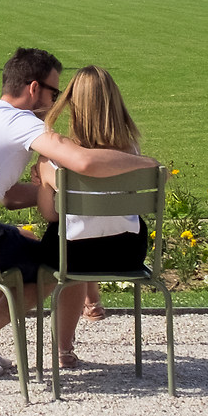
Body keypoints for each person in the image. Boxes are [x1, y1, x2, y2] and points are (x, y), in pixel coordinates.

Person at [0, 48, 156, 379]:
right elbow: (82, 162)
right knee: (46, 268)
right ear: (34, 89)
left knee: (20, 240)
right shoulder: (22, 123)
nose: (57, 103)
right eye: (55, 93)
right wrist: (147, 166)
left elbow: (10, 198)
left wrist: (54, 190)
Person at [35, 66, 151, 366]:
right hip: (127, 255)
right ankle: (93, 300)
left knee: (67, 242)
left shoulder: (54, 156)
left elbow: (49, 213)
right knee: (86, 236)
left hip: (75, 256)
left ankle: (63, 349)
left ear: (73, 104)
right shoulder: (132, 154)